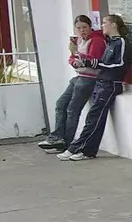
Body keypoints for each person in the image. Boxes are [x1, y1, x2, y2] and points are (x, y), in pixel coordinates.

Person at [57, 15, 130, 161]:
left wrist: (96, 64)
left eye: (105, 23)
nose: (102, 26)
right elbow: (97, 61)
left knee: (94, 117)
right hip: (101, 82)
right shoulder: (110, 42)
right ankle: (88, 151)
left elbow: (119, 65)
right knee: (96, 117)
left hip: (111, 84)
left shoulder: (120, 42)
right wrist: (81, 57)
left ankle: (75, 147)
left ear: (114, 25)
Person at [39, 15, 107, 153]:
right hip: (78, 76)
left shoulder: (96, 41)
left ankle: (67, 143)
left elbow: (93, 62)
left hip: (89, 78)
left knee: (72, 109)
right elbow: (72, 59)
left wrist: (76, 53)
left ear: (90, 27)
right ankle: (57, 137)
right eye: (79, 28)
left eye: (84, 27)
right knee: (60, 104)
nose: (82, 31)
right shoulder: (79, 41)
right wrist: (74, 58)